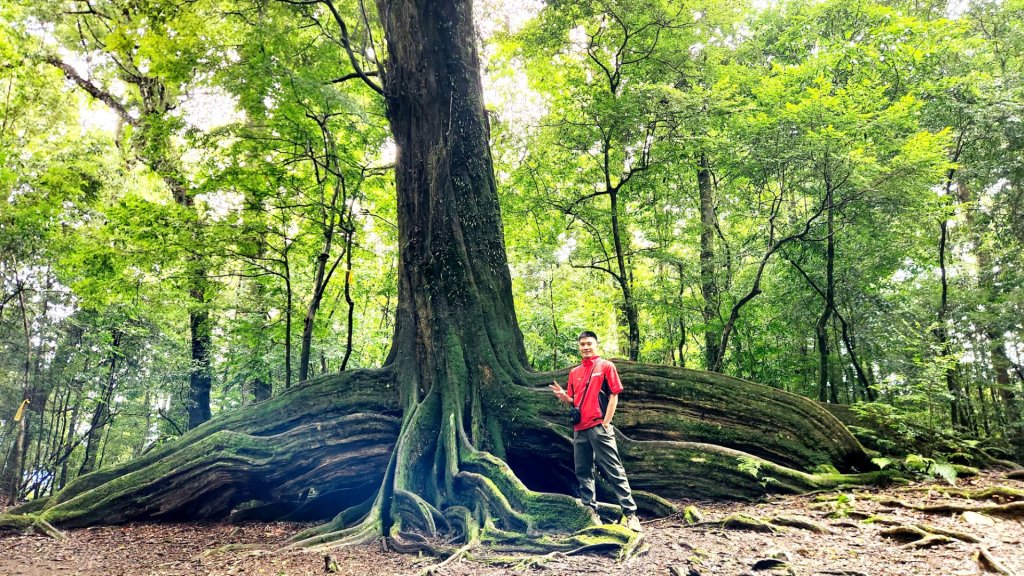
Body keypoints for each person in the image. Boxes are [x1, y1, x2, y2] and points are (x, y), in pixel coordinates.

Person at [549, 331, 642, 532]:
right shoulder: (574, 372)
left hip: (599, 426)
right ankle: (590, 512)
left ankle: (631, 515)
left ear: (596, 344)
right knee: (583, 471)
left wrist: (606, 422)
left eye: (589, 343)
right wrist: (563, 397)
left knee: (613, 469)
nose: (585, 347)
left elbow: (614, 395)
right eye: (582, 344)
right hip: (580, 429)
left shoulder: (606, 366)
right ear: (579, 347)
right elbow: (574, 401)